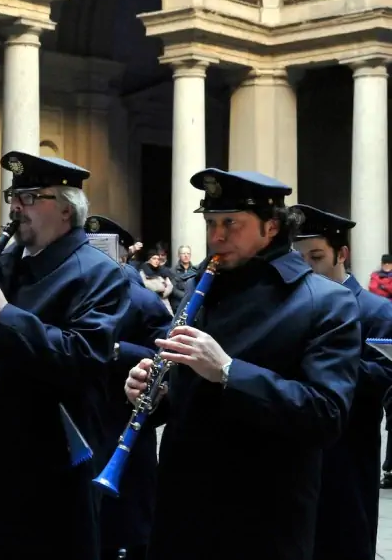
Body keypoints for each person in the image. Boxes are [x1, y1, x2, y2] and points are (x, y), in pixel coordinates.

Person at [124, 168, 361, 560]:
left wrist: (229, 371)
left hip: (261, 522)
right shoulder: (201, 287)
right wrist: (155, 395)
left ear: (271, 228)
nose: (216, 236)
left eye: (231, 223)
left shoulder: (325, 302)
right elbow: (189, 397)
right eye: (211, 222)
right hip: (180, 515)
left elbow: (326, 413)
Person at [0, 151, 131, 560]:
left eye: (28, 197)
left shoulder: (99, 273)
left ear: (64, 207)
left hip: (44, 462)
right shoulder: (3, 265)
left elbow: (84, 356)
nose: (15, 207)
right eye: (13, 196)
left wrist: (6, 313)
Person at [291, 204, 392, 560]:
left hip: (348, 452)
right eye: (299, 258)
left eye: (316, 256)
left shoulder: (377, 311)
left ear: (342, 254)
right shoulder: (292, 306)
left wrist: (323, 364)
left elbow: (383, 376)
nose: (307, 267)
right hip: (295, 452)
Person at [84, 215, 172, 560]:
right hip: (82, 420)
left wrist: (117, 350)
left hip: (122, 422)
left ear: (122, 254)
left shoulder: (142, 300)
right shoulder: (78, 290)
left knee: (125, 525)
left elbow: (165, 357)